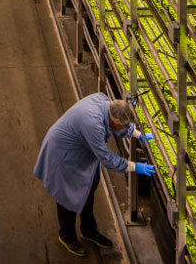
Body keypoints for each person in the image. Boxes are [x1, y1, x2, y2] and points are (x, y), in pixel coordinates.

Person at [33, 93, 156, 257]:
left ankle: (89, 231)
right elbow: (107, 159)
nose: (125, 128)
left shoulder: (105, 101)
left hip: (81, 155)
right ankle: (67, 236)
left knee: (88, 190)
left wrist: (137, 134)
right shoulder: (92, 124)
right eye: (124, 125)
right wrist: (135, 166)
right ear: (115, 121)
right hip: (63, 156)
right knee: (66, 197)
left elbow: (117, 127)